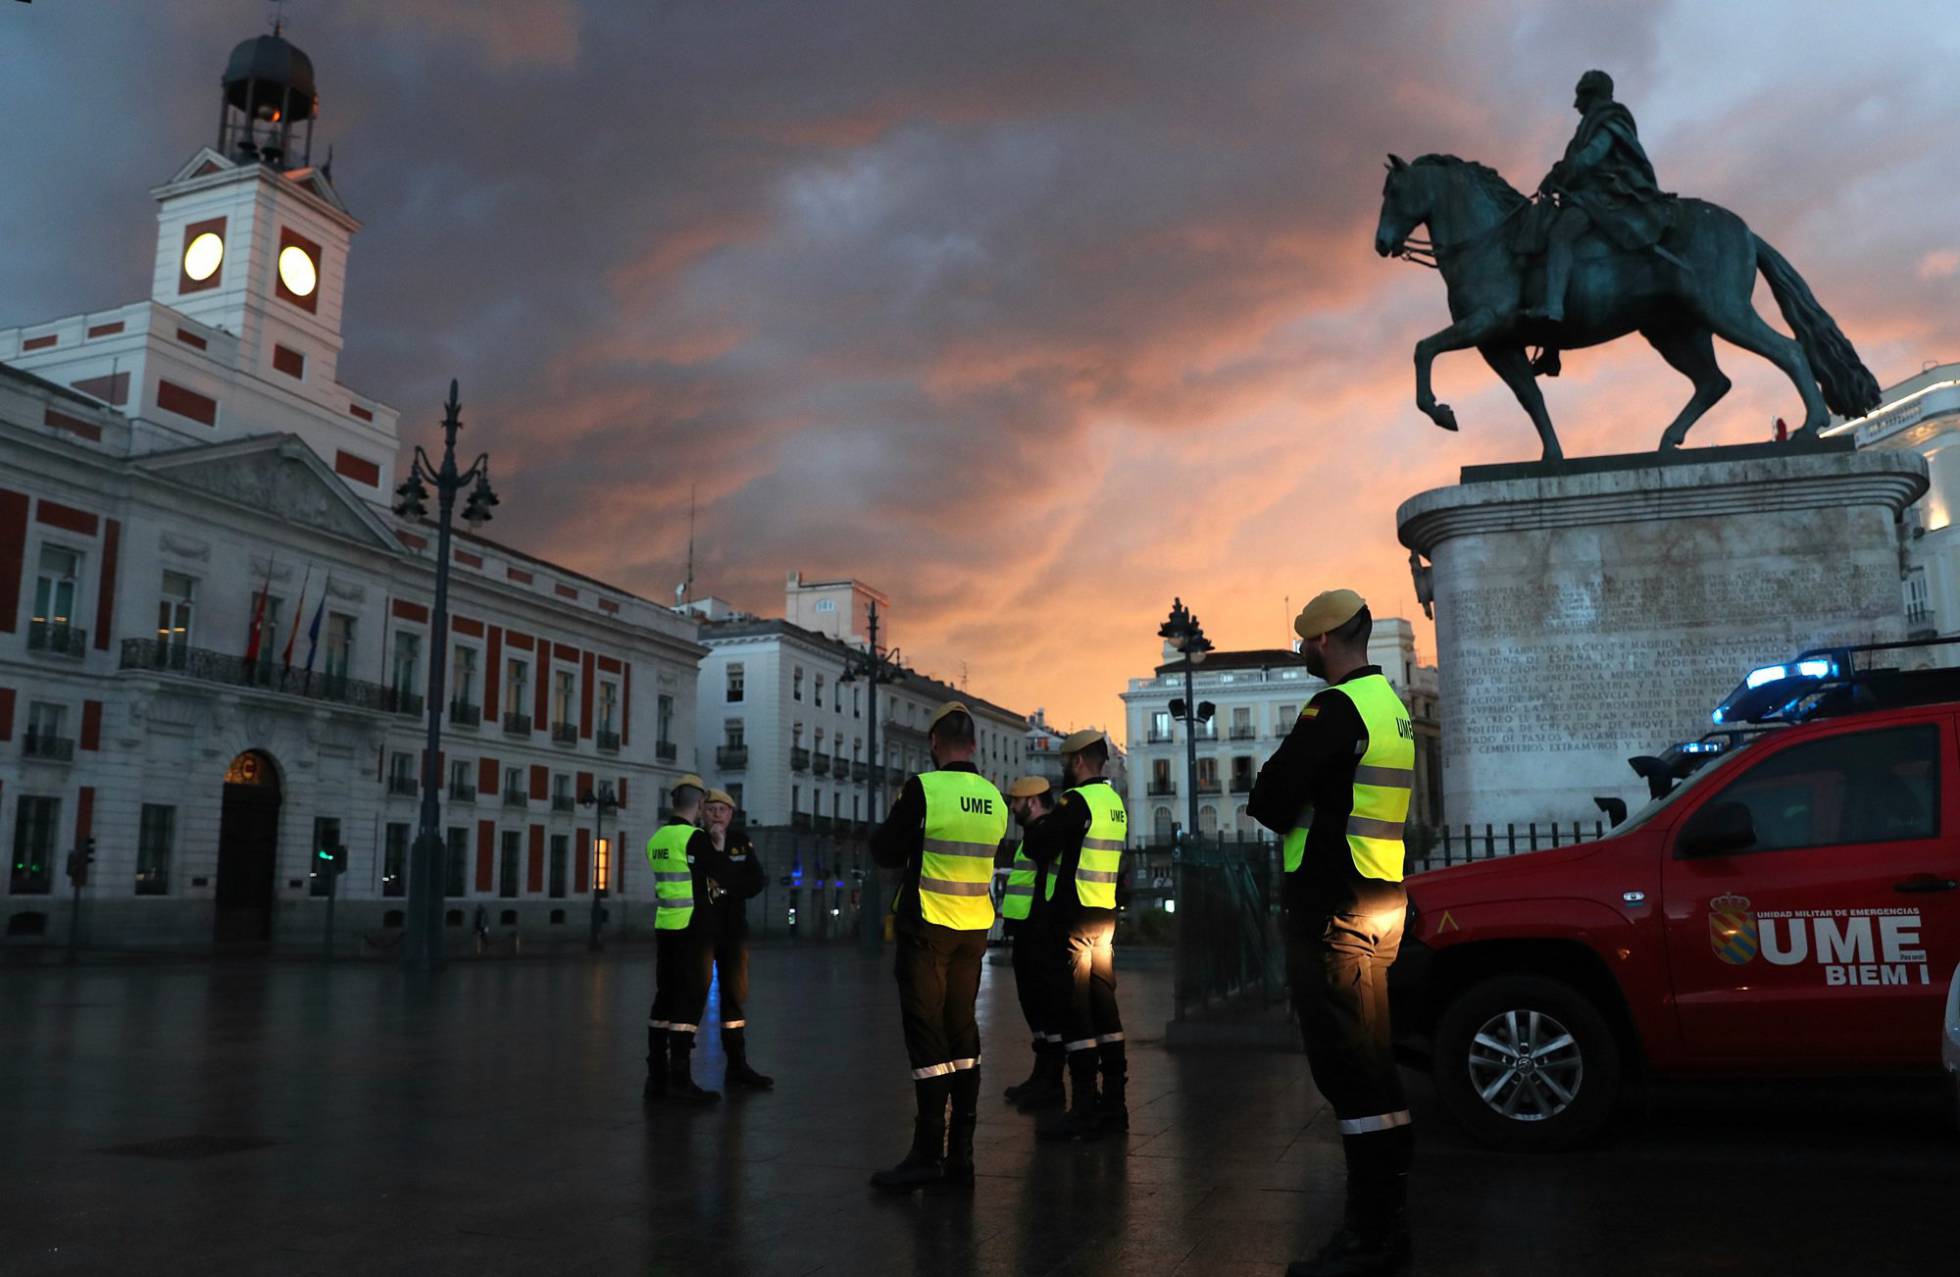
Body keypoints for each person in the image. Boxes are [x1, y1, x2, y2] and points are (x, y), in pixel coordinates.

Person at [1249, 590, 1416, 1277]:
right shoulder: (1394, 709)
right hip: (1380, 900)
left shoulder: (1334, 707)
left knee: (1350, 1070)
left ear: (1321, 641)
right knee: (1374, 1063)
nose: (1302, 654)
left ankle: (1370, 1234)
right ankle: (1388, 1215)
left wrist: (1296, 800)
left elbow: (1269, 796)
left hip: (1333, 907)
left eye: (1303, 645)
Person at [866, 701, 1008, 1191]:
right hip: (975, 929)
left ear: (933, 744)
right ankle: (961, 1155)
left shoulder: (923, 790)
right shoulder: (994, 798)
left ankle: (928, 1152)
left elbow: (885, 849)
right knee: (962, 1033)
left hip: (928, 926)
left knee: (927, 1040)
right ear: (974, 745)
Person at [1023, 729, 1129, 1140]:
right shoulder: (1115, 804)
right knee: (1105, 1007)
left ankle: (1084, 1105)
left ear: (1080, 761)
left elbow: (1040, 846)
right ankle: (1115, 1103)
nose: (1065, 768)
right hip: (1105, 915)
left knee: (1075, 1010)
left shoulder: (1076, 801)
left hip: (1074, 918)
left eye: (1067, 762)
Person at [1525, 69, 1670, 325]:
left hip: (1604, 196)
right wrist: (1556, 175)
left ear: (1591, 94)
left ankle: (1554, 306)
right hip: (1583, 195)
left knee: (1560, 235)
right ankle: (1551, 343)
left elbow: (1590, 157)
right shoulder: (1589, 124)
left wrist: (1561, 173)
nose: (1575, 104)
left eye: (1579, 96)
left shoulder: (1608, 122)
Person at [645, 773, 738, 1104]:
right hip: (693, 929)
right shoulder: (694, 838)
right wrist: (718, 842)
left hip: (665, 924)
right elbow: (724, 873)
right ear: (700, 804)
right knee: (689, 1000)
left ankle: (656, 1076)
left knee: (664, 998)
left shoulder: (657, 838)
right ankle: (680, 1081)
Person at [998, 776, 1064, 1110]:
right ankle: (1041, 1076)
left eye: (1016, 802)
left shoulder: (1045, 833)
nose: (1012, 808)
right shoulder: (1035, 834)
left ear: (1033, 802)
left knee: (1045, 1007)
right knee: (1034, 1008)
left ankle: (1051, 1083)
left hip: (1040, 932)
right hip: (1027, 931)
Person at [703, 789, 773, 1091]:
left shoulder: (741, 841)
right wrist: (733, 880)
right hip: (701, 930)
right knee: (691, 997)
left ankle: (737, 1065)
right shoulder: (696, 840)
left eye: (723, 809)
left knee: (735, 997)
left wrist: (727, 886)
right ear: (702, 813)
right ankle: (676, 1068)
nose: (717, 814)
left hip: (733, 930)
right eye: (712, 808)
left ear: (732, 814)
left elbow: (757, 880)